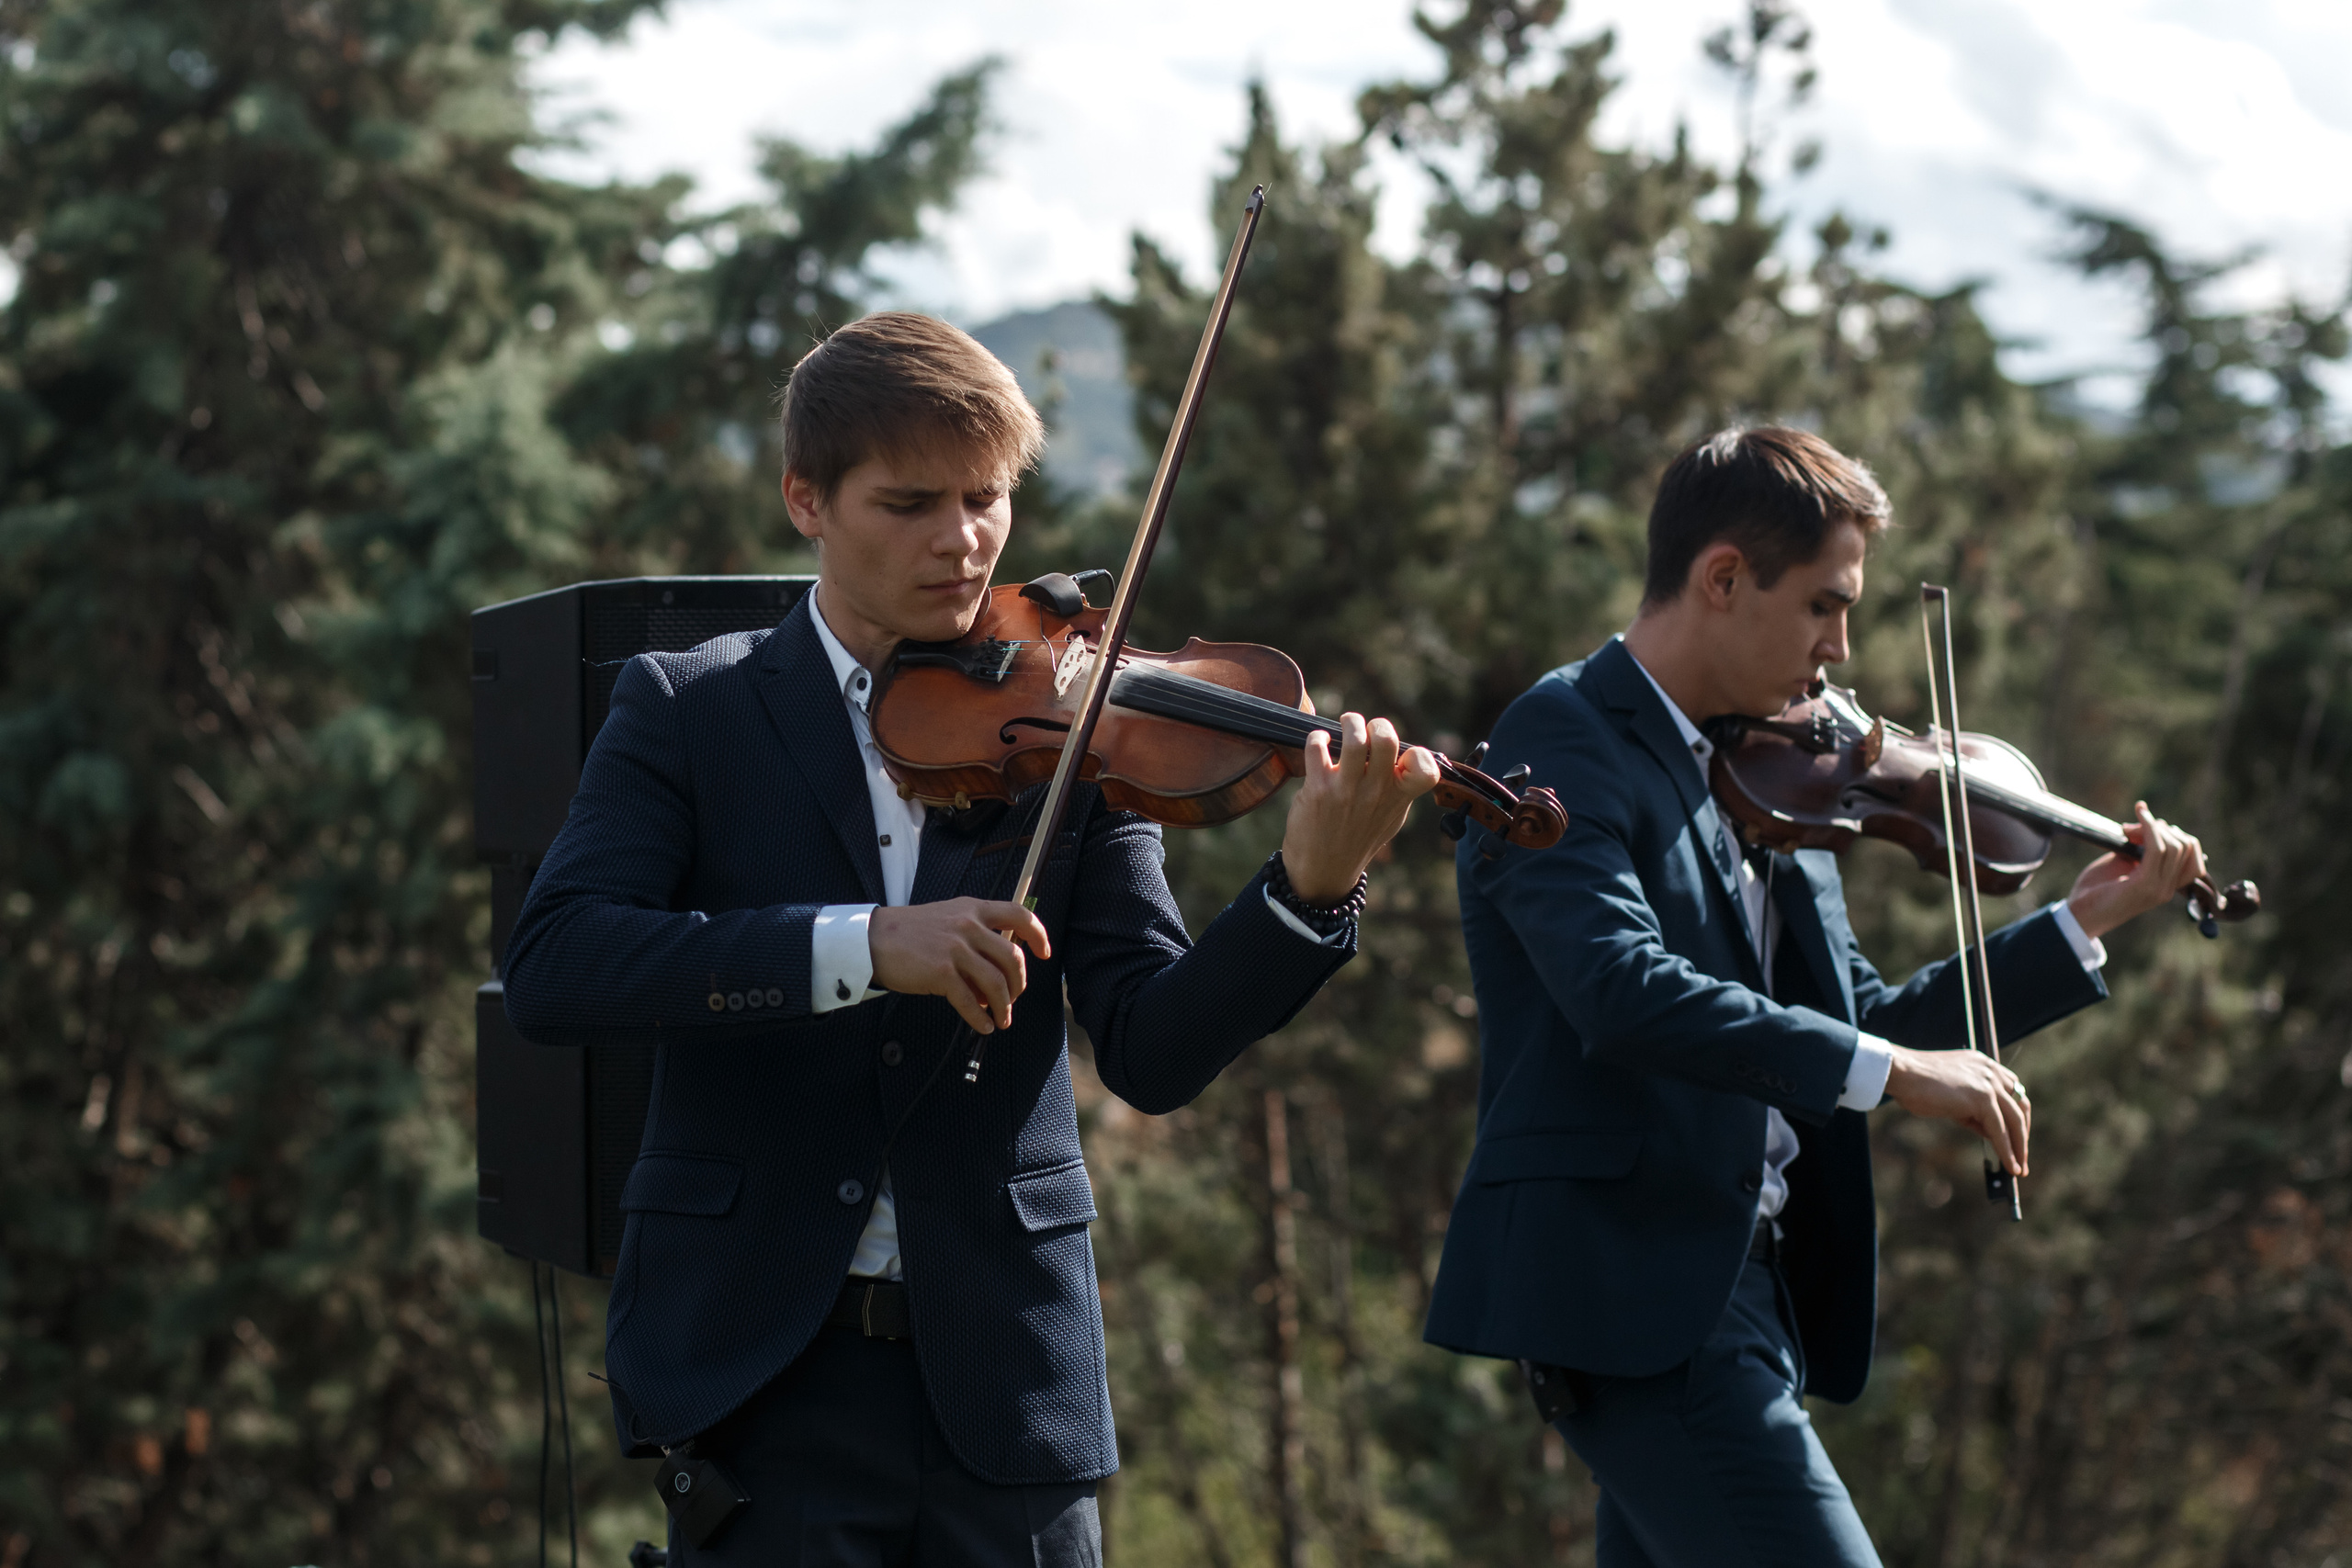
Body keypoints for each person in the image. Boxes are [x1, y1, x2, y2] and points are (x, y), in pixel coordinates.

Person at [500, 310, 1436, 1566]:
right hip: (768, 1369)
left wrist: (1307, 891)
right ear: (805, 499)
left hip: (1007, 1374)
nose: (963, 539)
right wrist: (863, 942)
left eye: (988, 497)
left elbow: (1152, 1047)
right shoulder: (690, 707)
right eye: (910, 503)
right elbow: (559, 962)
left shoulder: (1073, 718)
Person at [1424, 426, 2206, 1567]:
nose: (1840, 652)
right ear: (1723, 577)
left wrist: (2081, 923)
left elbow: (1858, 1022)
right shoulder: (1564, 738)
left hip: (1751, 1295)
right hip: (1646, 1300)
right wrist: (1895, 1078)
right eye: (1823, 608)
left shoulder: (1768, 774)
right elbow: (1620, 990)